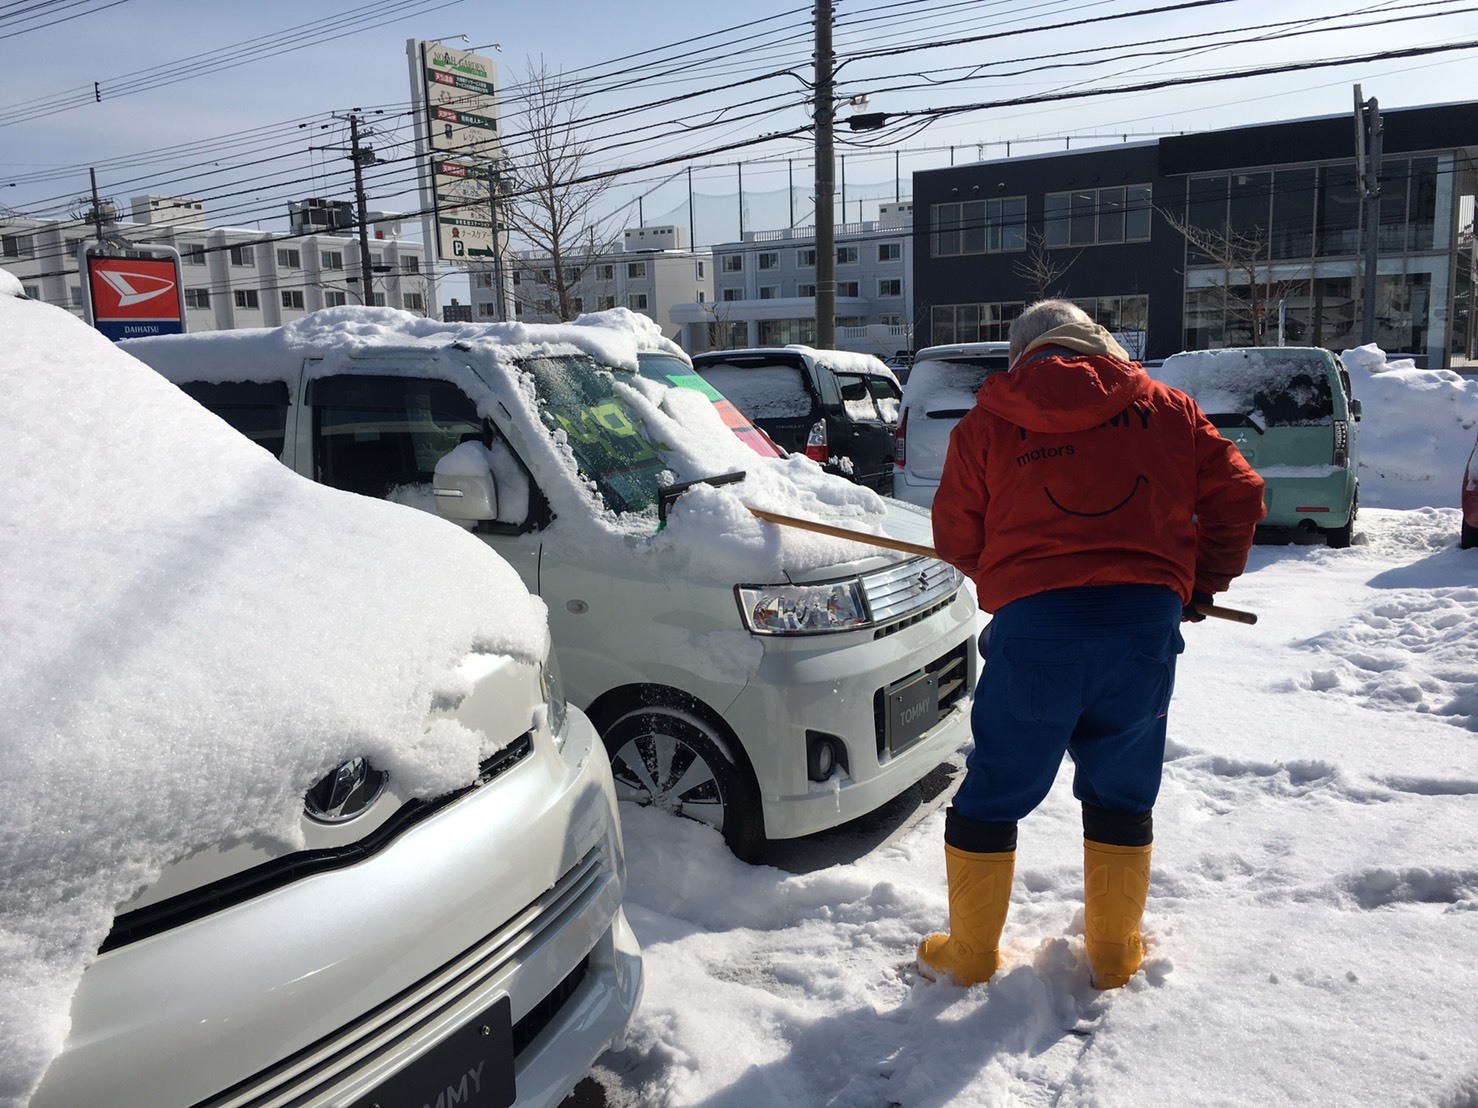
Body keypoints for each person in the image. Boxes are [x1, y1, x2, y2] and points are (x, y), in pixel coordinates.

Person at [918, 300, 1266, 990]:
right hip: (1143, 626)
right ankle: (1113, 954)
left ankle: (970, 956)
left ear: (1023, 355)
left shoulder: (987, 422)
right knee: (1121, 787)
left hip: (1035, 629)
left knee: (995, 788)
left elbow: (957, 536)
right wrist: (1200, 584)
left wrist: (1015, 575)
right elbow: (1241, 494)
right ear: (1100, 343)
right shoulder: (1170, 409)